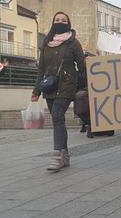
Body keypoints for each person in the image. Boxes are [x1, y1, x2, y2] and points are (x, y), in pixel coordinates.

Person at [31, 11, 86, 171]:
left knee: (57, 116)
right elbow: (41, 68)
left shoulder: (73, 43)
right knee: (58, 120)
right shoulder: (46, 42)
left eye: (63, 20)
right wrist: (36, 90)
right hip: (49, 86)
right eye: (57, 19)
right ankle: (65, 155)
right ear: (53, 22)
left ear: (68, 23)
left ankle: (57, 156)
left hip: (67, 85)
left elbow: (82, 66)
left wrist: (90, 63)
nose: (60, 22)